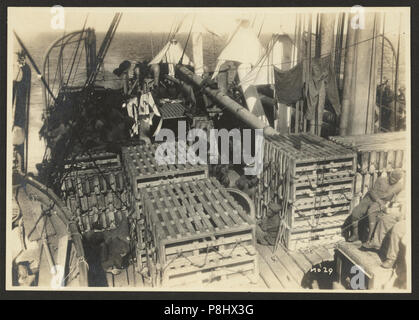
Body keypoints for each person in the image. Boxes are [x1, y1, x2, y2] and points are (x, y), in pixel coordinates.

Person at [348, 169, 404, 242]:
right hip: (370, 198)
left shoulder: (399, 186)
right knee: (355, 213)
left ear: (398, 180)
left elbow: (397, 198)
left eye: (395, 180)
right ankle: (355, 235)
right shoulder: (381, 180)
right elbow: (372, 191)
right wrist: (378, 200)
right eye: (392, 178)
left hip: (382, 202)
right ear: (390, 175)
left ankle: (369, 238)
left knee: (371, 212)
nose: (393, 181)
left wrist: (389, 205)